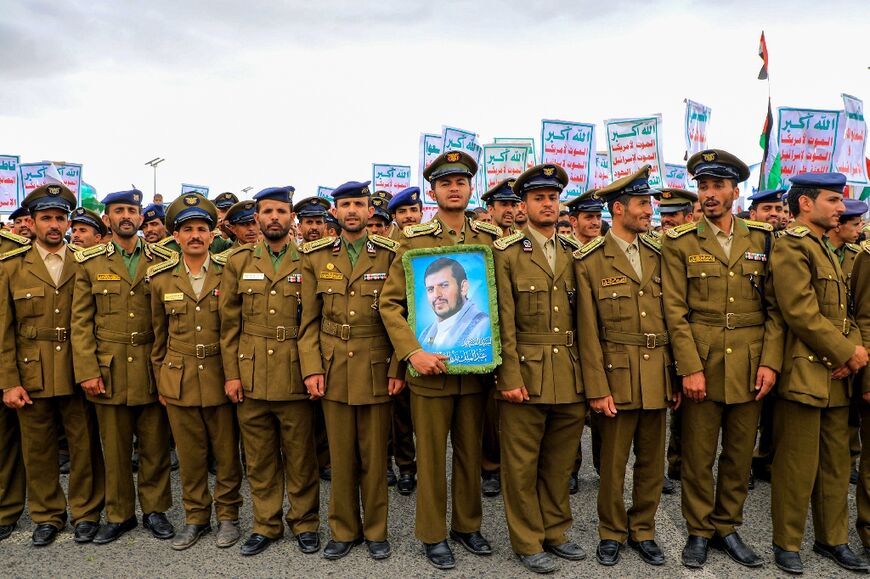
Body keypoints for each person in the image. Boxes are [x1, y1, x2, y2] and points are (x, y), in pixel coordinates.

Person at [380, 150, 502, 570]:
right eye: (445, 183)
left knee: (470, 452)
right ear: (433, 191)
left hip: (476, 371)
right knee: (431, 455)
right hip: (428, 371)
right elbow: (390, 305)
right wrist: (413, 352)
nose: (454, 188)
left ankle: (467, 527)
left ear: (471, 188)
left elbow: (502, 303)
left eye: (461, 182)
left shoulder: (488, 240)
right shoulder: (412, 241)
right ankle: (433, 534)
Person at [662, 149, 780, 569]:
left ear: (735, 190)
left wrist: (770, 362)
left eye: (717, 186)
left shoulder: (763, 238)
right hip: (703, 361)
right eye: (703, 186)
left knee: (739, 453)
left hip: (750, 362)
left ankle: (727, 526)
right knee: (697, 453)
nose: (709, 194)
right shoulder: (679, 241)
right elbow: (674, 311)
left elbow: (775, 310)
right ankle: (698, 529)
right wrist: (688, 368)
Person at [577, 165, 681, 567]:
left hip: (656, 372)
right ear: (618, 209)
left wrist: (674, 374)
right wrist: (597, 387)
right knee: (614, 462)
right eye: (642, 203)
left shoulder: (659, 254)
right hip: (616, 373)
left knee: (652, 462)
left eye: (650, 203)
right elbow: (588, 333)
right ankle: (611, 531)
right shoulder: (590, 261)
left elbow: (672, 318)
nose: (649, 210)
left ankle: (644, 529)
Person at [769, 172, 869, 574]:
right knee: (797, 463)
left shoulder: (827, 248)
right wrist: (847, 352)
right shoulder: (792, 246)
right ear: (806, 204)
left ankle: (834, 540)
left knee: (835, 463)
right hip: (806, 372)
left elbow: (847, 313)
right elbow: (800, 312)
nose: (841, 208)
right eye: (833, 200)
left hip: (837, 374)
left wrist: (855, 352)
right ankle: (787, 542)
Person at [298, 180, 402, 561]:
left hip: (376, 364)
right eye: (346, 204)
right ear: (335, 212)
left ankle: (376, 530)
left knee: (375, 457)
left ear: (370, 210)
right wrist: (311, 368)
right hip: (333, 365)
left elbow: (400, 317)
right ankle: (343, 530)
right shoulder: (316, 256)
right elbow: (307, 322)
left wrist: (397, 367)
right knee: (341, 458)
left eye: (359, 204)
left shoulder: (390, 254)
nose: (353, 210)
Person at [0, 182, 105, 546]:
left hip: (78, 369)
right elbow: (4, 330)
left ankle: (87, 512)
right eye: (47, 218)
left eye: (61, 218)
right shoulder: (12, 267)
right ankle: (47, 515)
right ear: (32, 221)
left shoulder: (86, 263)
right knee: (39, 449)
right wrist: (8, 381)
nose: (54, 225)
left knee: (84, 446)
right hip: (32, 371)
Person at [493, 163, 585, 574]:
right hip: (526, 374)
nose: (547, 204)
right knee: (521, 464)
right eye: (538, 198)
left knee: (560, 461)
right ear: (523, 205)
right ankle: (528, 541)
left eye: (552, 197)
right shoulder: (508, 254)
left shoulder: (574, 254)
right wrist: (508, 376)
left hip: (568, 372)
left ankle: (556, 532)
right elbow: (504, 323)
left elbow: (585, 322)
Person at [220, 186, 321, 557]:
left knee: (300, 456)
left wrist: (313, 370)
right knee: (259, 458)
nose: (274, 217)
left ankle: (305, 522)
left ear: (291, 217)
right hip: (251, 372)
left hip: (295, 370)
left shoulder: (308, 259)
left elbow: (314, 321)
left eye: (281, 211)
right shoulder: (238, 261)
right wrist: (231, 374)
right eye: (267, 212)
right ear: (257, 218)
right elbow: (228, 325)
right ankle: (266, 524)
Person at [71, 188, 175, 545]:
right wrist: (87, 370)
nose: (126, 216)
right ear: (108, 218)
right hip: (109, 366)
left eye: (132, 209)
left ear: (141, 216)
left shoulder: (162, 260)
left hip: (150, 363)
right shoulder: (89, 262)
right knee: (114, 450)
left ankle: (156, 510)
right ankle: (119, 514)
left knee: (155, 446)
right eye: (119, 210)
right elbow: (80, 322)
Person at [148, 193, 243, 551]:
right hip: (179, 376)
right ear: (176, 236)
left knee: (226, 454)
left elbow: (236, 326)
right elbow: (159, 337)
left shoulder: (228, 272)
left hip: (221, 372)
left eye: (202, 229)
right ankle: (195, 518)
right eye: (187, 229)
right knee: (189, 456)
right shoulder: (160, 279)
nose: (195, 236)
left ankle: (229, 517)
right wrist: (161, 380)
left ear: (212, 232)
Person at [384, 186, 424, 494]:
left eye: (413, 211)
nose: (409, 216)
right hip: (395, 340)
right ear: (394, 217)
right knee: (400, 413)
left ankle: (428, 464)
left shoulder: (428, 242)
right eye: (402, 212)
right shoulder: (386, 249)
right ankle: (406, 468)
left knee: (427, 411)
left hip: (430, 336)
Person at [417, 258, 490, 350]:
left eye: (444, 285)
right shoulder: (425, 335)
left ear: (463, 287)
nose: (436, 295)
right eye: (430, 289)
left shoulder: (484, 327)